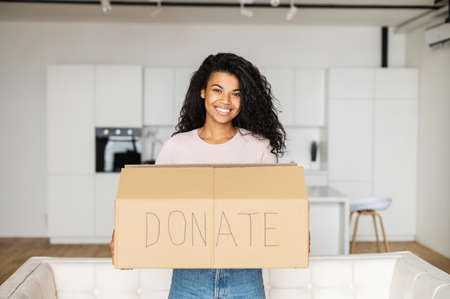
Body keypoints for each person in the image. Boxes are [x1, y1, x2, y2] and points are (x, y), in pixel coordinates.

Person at [111, 52, 286, 299]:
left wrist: (297, 230)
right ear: (202, 91)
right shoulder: (177, 147)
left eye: (236, 93)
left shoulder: (258, 147)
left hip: (245, 277)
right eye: (218, 90)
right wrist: (122, 234)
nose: (226, 100)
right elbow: (147, 202)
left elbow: (278, 206)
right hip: (189, 278)